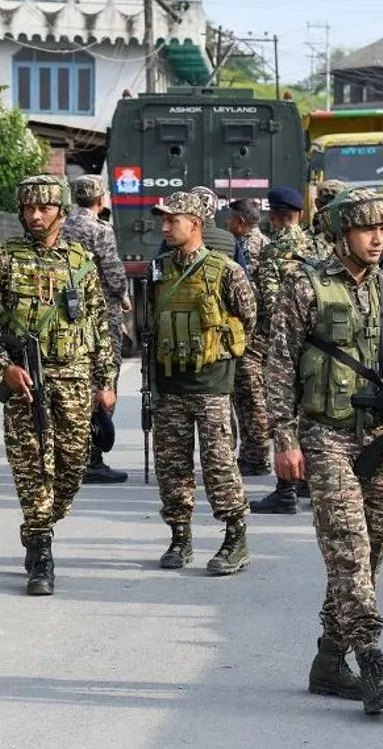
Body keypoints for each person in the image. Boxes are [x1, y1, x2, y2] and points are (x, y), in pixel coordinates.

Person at [267, 188, 383, 714]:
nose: (377, 238)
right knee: (348, 549)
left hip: (381, 438)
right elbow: (280, 363)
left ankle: (329, 660)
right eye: (364, 229)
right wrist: (283, 439)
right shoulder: (304, 285)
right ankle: (372, 662)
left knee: (372, 552)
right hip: (326, 434)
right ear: (340, 234)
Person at [0, 175, 117, 596]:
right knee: (34, 467)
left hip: (74, 377)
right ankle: (41, 550)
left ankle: (40, 525)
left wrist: (106, 380)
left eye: (44, 209)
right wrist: (4, 366)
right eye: (28, 209)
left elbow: (99, 325)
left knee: (72, 468)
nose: (36, 216)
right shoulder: (2, 259)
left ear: (61, 211)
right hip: (26, 381)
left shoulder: (80, 261)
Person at [147, 191, 256, 574]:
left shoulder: (227, 270)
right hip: (170, 385)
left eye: (171, 220)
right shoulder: (158, 269)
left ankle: (235, 537)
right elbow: (150, 327)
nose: (164, 227)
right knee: (172, 466)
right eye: (163, 220)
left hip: (211, 385)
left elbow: (248, 319)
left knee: (219, 464)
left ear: (194, 224)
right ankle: (180, 536)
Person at [249, 186, 325, 514]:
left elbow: (269, 304)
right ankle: (307, 480)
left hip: (283, 344)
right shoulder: (319, 249)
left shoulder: (273, 253)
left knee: (283, 411)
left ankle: (285, 490)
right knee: (310, 408)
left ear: (274, 216)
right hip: (319, 344)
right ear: (300, 214)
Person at [62, 174, 130, 486]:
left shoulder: (59, 227)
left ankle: (70, 453)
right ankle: (92, 457)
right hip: (102, 315)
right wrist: (124, 297)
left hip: (65, 314)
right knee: (104, 380)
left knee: (73, 379)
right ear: (100, 200)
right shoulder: (99, 230)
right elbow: (114, 273)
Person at [225, 198, 272, 477]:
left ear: (241, 222)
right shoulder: (257, 242)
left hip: (253, 335)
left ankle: (256, 455)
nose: (226, 224)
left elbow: (252, 295)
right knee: (247, 394)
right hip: (253, 332)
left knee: (251, 395)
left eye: (230, 219)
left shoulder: (251, 248)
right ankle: (252, 452)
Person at [227, 198, 268, 279]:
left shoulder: (248, 245)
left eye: (230, 217)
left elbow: (246, 279)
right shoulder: (263, 240)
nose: (227, 221)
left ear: (240, 221)